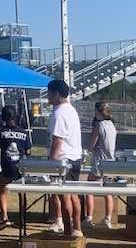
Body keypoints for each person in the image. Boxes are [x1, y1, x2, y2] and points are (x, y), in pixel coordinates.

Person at [47, 78, 83, 237]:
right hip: (75, 158)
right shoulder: (71, 109)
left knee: (64, 196)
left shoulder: (59, 112)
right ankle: (77, 229)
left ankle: (69, 231)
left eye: (48, 93)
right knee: (73, 194)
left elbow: (58, 140)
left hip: (63, 160)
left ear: (56, 94)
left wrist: (50, 162)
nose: (47, 97)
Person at [0, 105, 31, 229]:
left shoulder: (0, 131)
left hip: (7, 166)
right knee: (22, 193)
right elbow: (28, 150)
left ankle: (4, 218)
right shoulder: (23, 132)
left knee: (2, 190)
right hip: (20, 166)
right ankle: (22, 218)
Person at [84, 101, 117, 229]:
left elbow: (91, 146)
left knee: (89, 189)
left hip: (99, 162)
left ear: (98, 112)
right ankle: (107, 219)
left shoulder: (99, 125)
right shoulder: (112, 125)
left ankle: (89, 218)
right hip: (110, 163)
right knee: (107, 192)